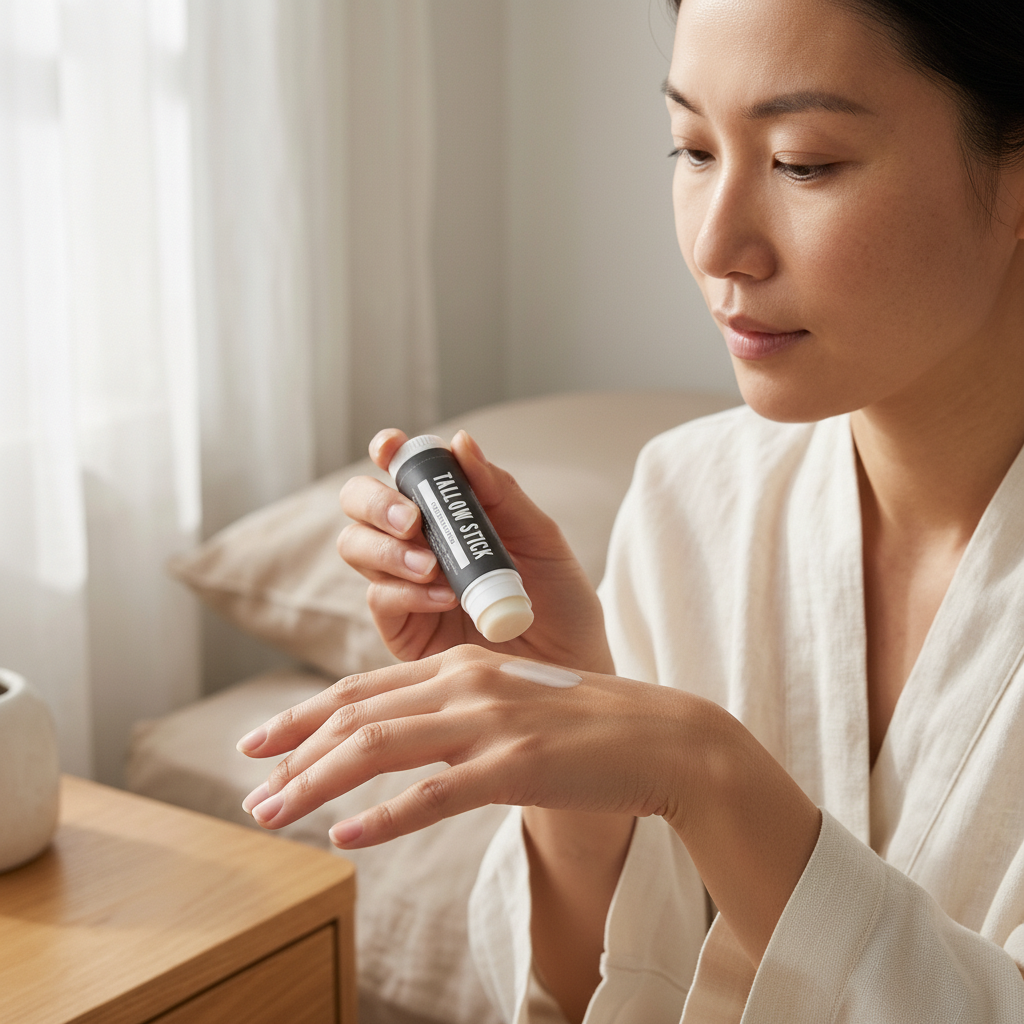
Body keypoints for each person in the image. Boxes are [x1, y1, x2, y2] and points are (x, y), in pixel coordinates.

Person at [235, 0, 1024, 1019]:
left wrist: (707, 773)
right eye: (693, 149)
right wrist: (566, 730)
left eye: (803, 163)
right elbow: (587, 996)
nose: (716, 244)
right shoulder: (689, 497)